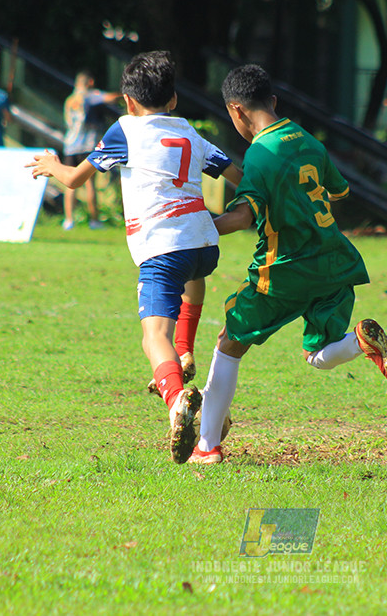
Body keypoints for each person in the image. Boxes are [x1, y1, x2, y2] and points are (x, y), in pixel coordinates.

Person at [27, 51, 242, 464]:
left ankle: (178, 400)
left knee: (150, 337)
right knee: (192, 274)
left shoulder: (126, 129)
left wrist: (52, 163)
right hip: (204, 244)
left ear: (128, 102)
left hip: (162, 247)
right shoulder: (189, 131)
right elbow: (240, 176)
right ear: (174, 99)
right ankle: (185, 349)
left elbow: (73, 180)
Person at [190, 64, 387, 465]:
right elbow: (337, 191)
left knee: (228, 344)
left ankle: (207, 447)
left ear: (236, 111)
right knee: (318, 352)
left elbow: (242, 217)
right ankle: (360, 340)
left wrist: (192, 227)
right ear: (273, 101)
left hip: (284, 269)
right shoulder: (309, 141)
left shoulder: (259, 153)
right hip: (333, 261)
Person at [62, 71, 122, 230]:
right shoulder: (89, 95)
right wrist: (124, 95)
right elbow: (108, 98)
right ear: (89, 82)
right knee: (90, 184)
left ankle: (68, 220)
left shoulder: (70, 99)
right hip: (86, 145)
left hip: (70, 145)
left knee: (70, 184)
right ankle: (94, 220)